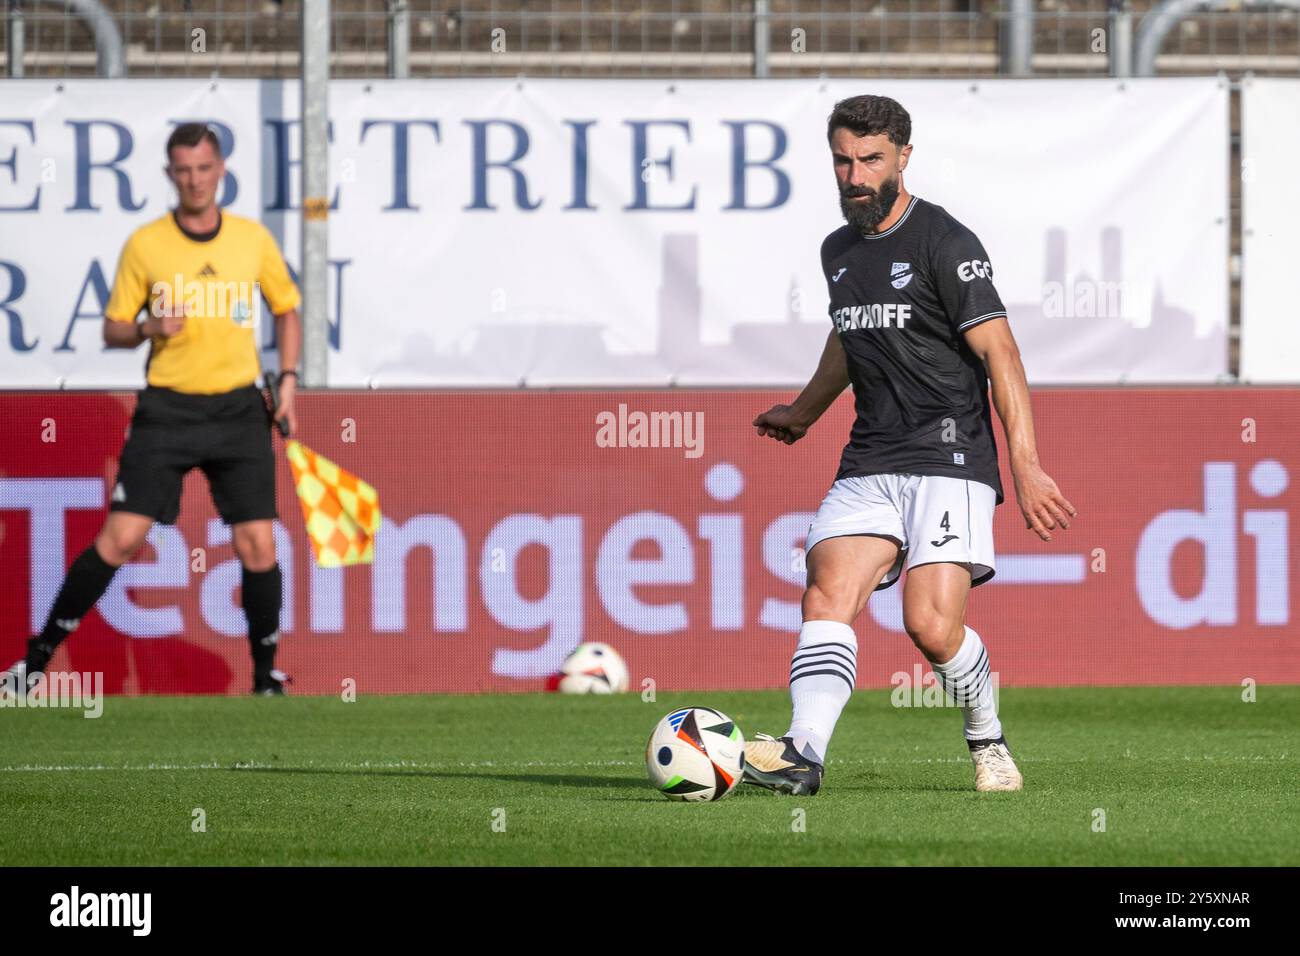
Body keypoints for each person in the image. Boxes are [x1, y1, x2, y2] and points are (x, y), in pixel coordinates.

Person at [745, 95, 1076, 794]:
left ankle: (986, 737)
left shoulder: (945, 242)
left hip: (950, 456)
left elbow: (1003, 356)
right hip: (870, 457)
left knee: (928, 625)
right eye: (843, 160)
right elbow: (849, 333)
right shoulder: (838, 251)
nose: (854, 175)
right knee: (827, 593)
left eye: (870, 159)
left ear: (903, 156)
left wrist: (1027, 468)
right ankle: (803, 754)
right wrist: (805, 411)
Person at [6, 122, 302, 696]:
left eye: (203, 168)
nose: (194, 179)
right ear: (171, 175)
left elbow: (287, 309)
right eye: (183, 170)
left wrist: (288, 381)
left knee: (258, 544)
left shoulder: (250, 240)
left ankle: (266, 679)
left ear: (220, 170)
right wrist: (147, 326)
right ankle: (33, 664)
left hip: (239, 409)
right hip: (167, 410)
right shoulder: (148, 244)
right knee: (120, 538)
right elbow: (114, 328)